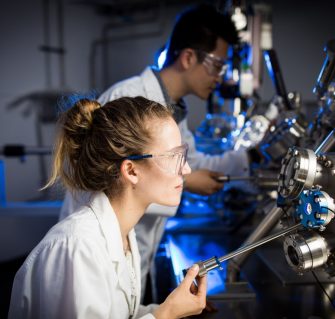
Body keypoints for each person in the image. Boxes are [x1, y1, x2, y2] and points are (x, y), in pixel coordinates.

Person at [60, 4, 251, 303]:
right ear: (188, 57)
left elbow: (191, 164)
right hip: (97, 257)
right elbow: (111, 180)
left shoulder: (172, 109)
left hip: (131, 252)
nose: (220, 76)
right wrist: (188, 182)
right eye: (216, 65)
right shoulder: (131, 100)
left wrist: (250, 160)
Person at [1, 96, 207, 319]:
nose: (187, 169)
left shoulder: (123, 232)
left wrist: (174, 307)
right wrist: (166, 314)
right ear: (131, 170)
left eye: (183, 154)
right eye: (173, 157)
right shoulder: (76, 247)